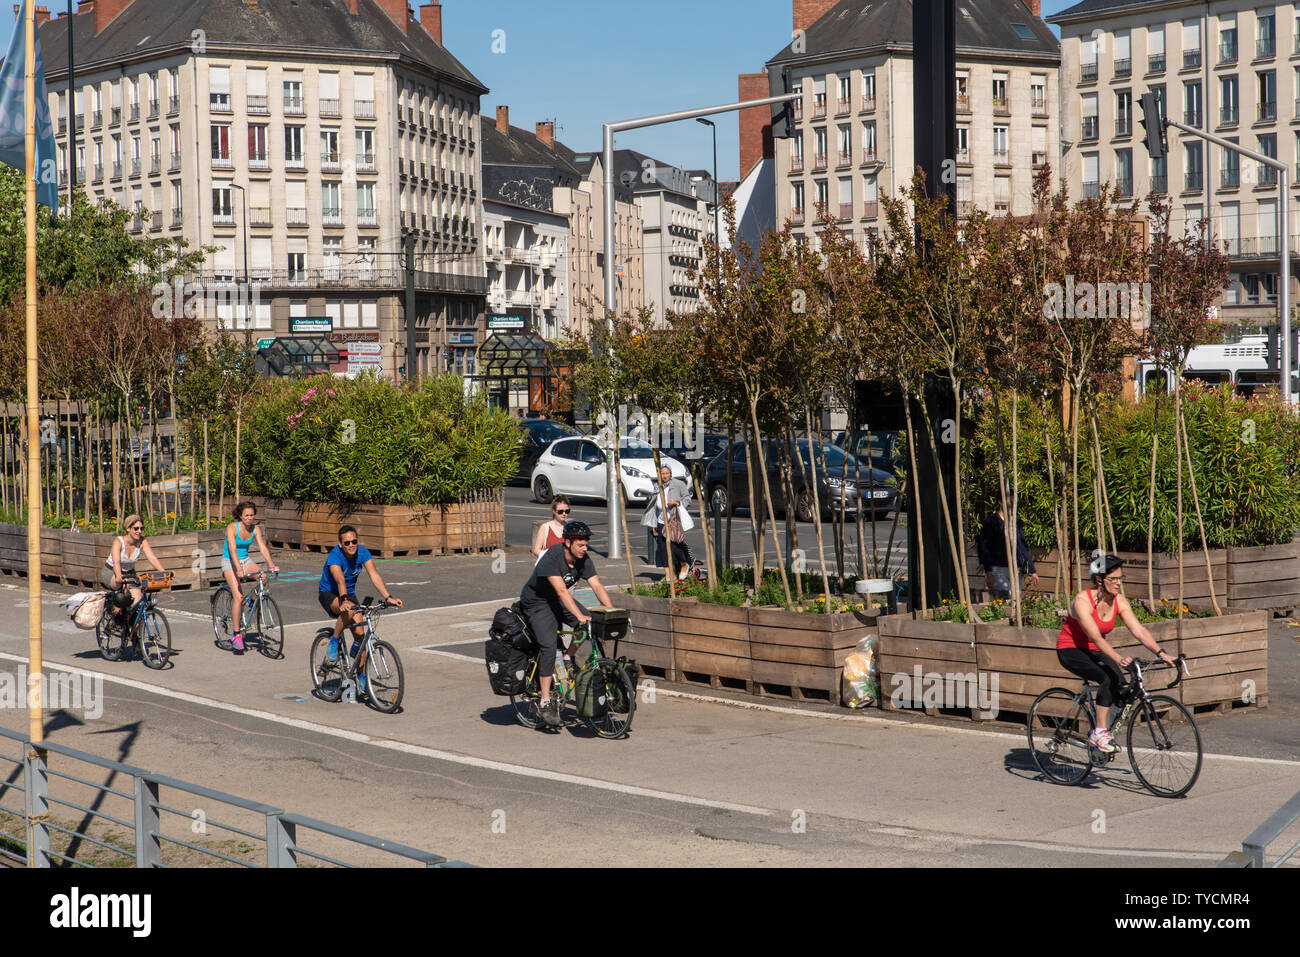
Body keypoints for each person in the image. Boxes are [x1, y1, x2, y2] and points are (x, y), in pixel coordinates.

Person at [1057, 555, 1176, 754]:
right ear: (1099, 580)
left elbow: (1138, 629)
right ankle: (1099, 733)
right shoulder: (1082, 601)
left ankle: (1101, 734)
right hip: (1071, 649)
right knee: (1107, 678)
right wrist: (1118, 659)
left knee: (1121, 685)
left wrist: (1162, 653)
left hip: (1094, 650)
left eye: (1121, 578)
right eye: (1113, 579)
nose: (1118, 583)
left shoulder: (1118, 601)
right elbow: (1095, 637)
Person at [519, 520, 615, 729]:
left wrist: (611, 611)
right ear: (568, 542)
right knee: (548, 646)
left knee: (589, 624)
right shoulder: (552, 557)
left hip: (556, 599)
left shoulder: (584, 559)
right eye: (580, 544)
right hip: (536, 602)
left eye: (586, 544)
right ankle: (544, 700)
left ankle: (568, 657)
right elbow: (562, 591)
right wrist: (579, 615)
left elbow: (596, 585)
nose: (584, 548)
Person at [318, 526, 403, 680]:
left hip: (349, 594)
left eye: (354, 541)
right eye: (347, 542)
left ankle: (361, 676)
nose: (351, 545)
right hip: (329, 593)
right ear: (340, 544)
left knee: (361, 637)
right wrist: (343, 601)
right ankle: (334, 640)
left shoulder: (362, 552)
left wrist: (388, 597)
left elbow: (374, 575)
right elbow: (340, 580)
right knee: (349, 609)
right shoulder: (335, 556)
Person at [222, 501, 280, 653]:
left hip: (245, 560)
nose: (249, 518)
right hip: (230, 561)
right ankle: (236, 635)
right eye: (246, 515)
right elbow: (232, 550)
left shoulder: (255, 529)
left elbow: (262, 547)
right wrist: (239, 570)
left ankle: (251, 602)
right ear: (240, 515)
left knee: (263, 577)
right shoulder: (232, 528)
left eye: (251, 515)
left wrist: (271, 565)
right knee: (238, 597)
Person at [102, 515, 167, 626]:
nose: (139, 531)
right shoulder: (118, 541)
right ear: (128, 529)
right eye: (136, 528)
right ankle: (116, 608)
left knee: (138, 605)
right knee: (120, 585)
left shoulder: (142, 542)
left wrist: (164, 573)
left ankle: (135, 635)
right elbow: (116, 562)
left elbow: (152, 558)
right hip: (112, 572)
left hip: (130, 573)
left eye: (141, 528)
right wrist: (119, 576)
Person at [641, 465, 694, 580]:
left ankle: (684, 564)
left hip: (673, 520)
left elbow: (687, 498)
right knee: (661, 548)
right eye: (662, 473)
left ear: (670, 474)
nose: (664, 476)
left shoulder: (677, 484)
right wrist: (654, 524)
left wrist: (677, 502)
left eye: (666, 473)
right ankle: (669, 574)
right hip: (661, 520)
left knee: (674, 545)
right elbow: (655, 506)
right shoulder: (657, 486)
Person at [976, 504, 1039, 600]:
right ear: (1000, 502)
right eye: (1010, 500)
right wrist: (988, 571)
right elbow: (984, 546)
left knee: (1016, 600)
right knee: (1006, 599)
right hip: (998, 569)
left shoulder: (1017, 521)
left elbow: (1022, 545)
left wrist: (1032, 570)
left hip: (1016, 569)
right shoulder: (992, 521)